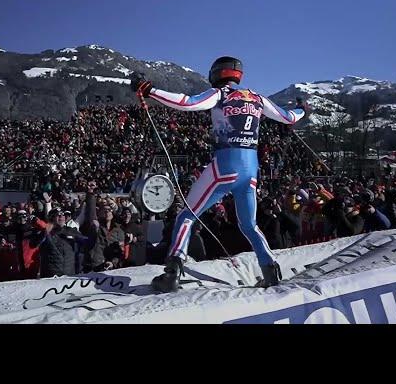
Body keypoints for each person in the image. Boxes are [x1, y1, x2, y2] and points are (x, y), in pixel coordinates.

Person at [131, 56, 308, 292]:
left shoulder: (220, 94)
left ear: (217, 73)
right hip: (251, 168)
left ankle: (172, 274)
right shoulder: (256, 98)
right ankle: (270, 270)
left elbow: (187, 102)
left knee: (187, 215)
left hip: (225, 165)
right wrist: (302, 109)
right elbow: (288, 117)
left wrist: (150, 90)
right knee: (249, 225)